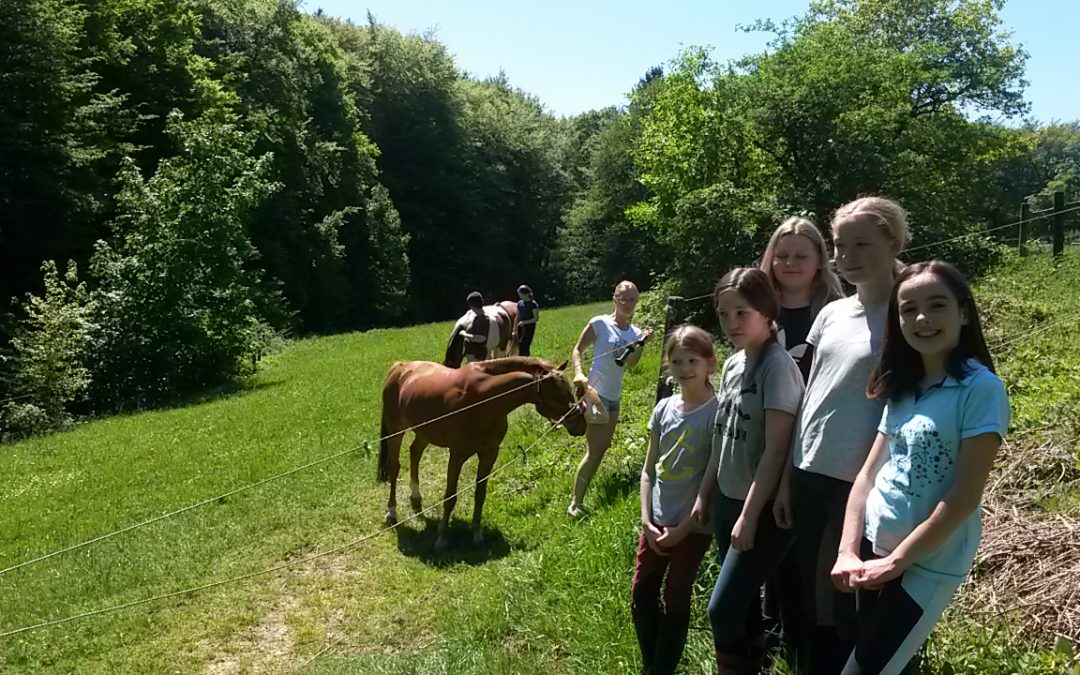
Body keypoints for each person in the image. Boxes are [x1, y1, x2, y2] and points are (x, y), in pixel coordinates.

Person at [829, 261, 1008, 674]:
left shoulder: (981, 390)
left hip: (925, 564)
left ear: (964, 313)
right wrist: (848, 551)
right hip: (874, 551)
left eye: (937, 305)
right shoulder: (903, 387)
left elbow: (961, 500)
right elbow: (868, 477)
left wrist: (896, 563)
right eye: (908, 309)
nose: (922, 318)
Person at [773, 197, 910, 674]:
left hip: (862, 486)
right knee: (818, 609)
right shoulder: (833, 313)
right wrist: (790, 476)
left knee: (856, 612)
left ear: (894, 242)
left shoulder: (909, 314)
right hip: (810, 473)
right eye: (839, 246)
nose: (846, 256)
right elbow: (812, 396)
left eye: (861, 244)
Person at [691, 268, 805, 674]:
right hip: (728, 496)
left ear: (767, 312)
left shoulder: (778, 368)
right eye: (724, 315)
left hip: (761, 507)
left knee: (722, 609)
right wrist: (707, 493)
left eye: (742, 313)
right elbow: (723, 435)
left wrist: (749, 517)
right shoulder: (735, 364)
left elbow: (776, 451)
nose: (732, 324)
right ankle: (756, 666)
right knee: (742, 609)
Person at [757, 216, 845, 659]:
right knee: (770, 534)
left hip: (815, 442)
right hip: (767, 440)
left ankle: (812, 635)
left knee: (809, 542)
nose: (789, 263)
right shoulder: (759, 308)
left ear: (819, 260)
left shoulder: (836, 308)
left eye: (801, 256)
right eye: (782, 254)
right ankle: (773, 627)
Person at [632, 326, 720, 675]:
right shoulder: (664, 409)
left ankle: (664, 668)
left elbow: (711, 481)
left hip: (693, 526)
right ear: (667, 365)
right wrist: (646, 521)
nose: (685, 368)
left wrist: (684, 529)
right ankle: (652, 663)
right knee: (641, 594)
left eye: (693, 360)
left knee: (676, 595)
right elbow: (648, 470)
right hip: (655, 520)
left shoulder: (717, 412)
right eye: (677, 361)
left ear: (710, 363)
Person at [568, 280, 653, 517]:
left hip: (614, 398)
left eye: (632, 299)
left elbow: (632, 364)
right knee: (594, 451)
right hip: (595, 395)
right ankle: (575, 503)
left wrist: (642, 344)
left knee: (601, 448)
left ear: (637, 301)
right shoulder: (600, 323)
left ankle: (578, 499)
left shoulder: (635, 333)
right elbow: (578, 350)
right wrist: (578, 372)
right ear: (614, 299)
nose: (627, 303)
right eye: (623, 298)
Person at [459, 291, 490, 363]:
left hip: (476, 354)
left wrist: (465, 334)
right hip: (475, 353)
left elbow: (481, 338)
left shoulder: (482, 320)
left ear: (472, 306)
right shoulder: (479, 317)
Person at [516, 285, 540, 357]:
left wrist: (524, 322)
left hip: (529, 327)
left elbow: (536, 318)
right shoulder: (520, 303)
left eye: (520, 294)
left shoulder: (533, 304)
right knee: (519, 345)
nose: (519, 296)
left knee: (525, 345)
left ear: (526, 294)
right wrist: (514, 329)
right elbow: (517, 316)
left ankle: (526, 361)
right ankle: (520, 361)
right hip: (520, 326)